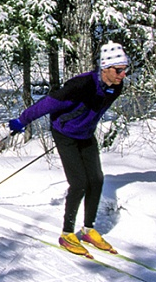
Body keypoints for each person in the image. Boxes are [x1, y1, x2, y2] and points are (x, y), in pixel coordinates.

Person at [9, 41, 129, 256]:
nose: (123, 74)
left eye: (125, 69)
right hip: (64, 133)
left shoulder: (116, 87)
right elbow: (47, 104)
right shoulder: (79, 86)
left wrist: (84, 123)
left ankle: (88, 230)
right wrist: (22, 120)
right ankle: (67, 234)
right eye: (119, 70)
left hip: (86, 134)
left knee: (97, 180)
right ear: (105, 68)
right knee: (79, 183)